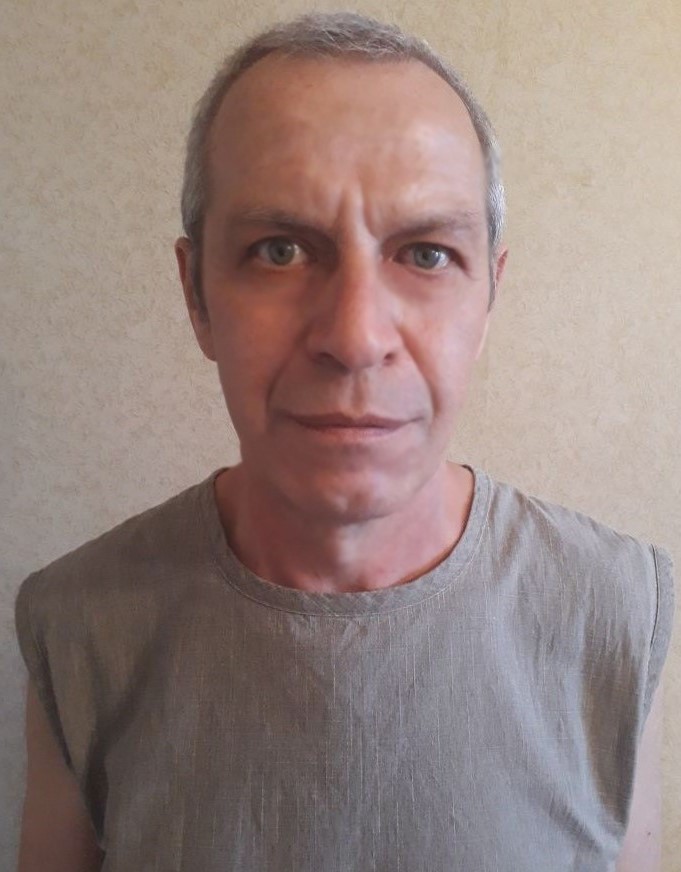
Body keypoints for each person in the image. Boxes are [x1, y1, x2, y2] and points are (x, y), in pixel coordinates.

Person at [14, 11, 674, 872]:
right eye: (279, 250)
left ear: (487, 300)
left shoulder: (614, 611)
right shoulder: (77, 625)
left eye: (426, 254)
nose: (356, 337)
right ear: (196, 295)